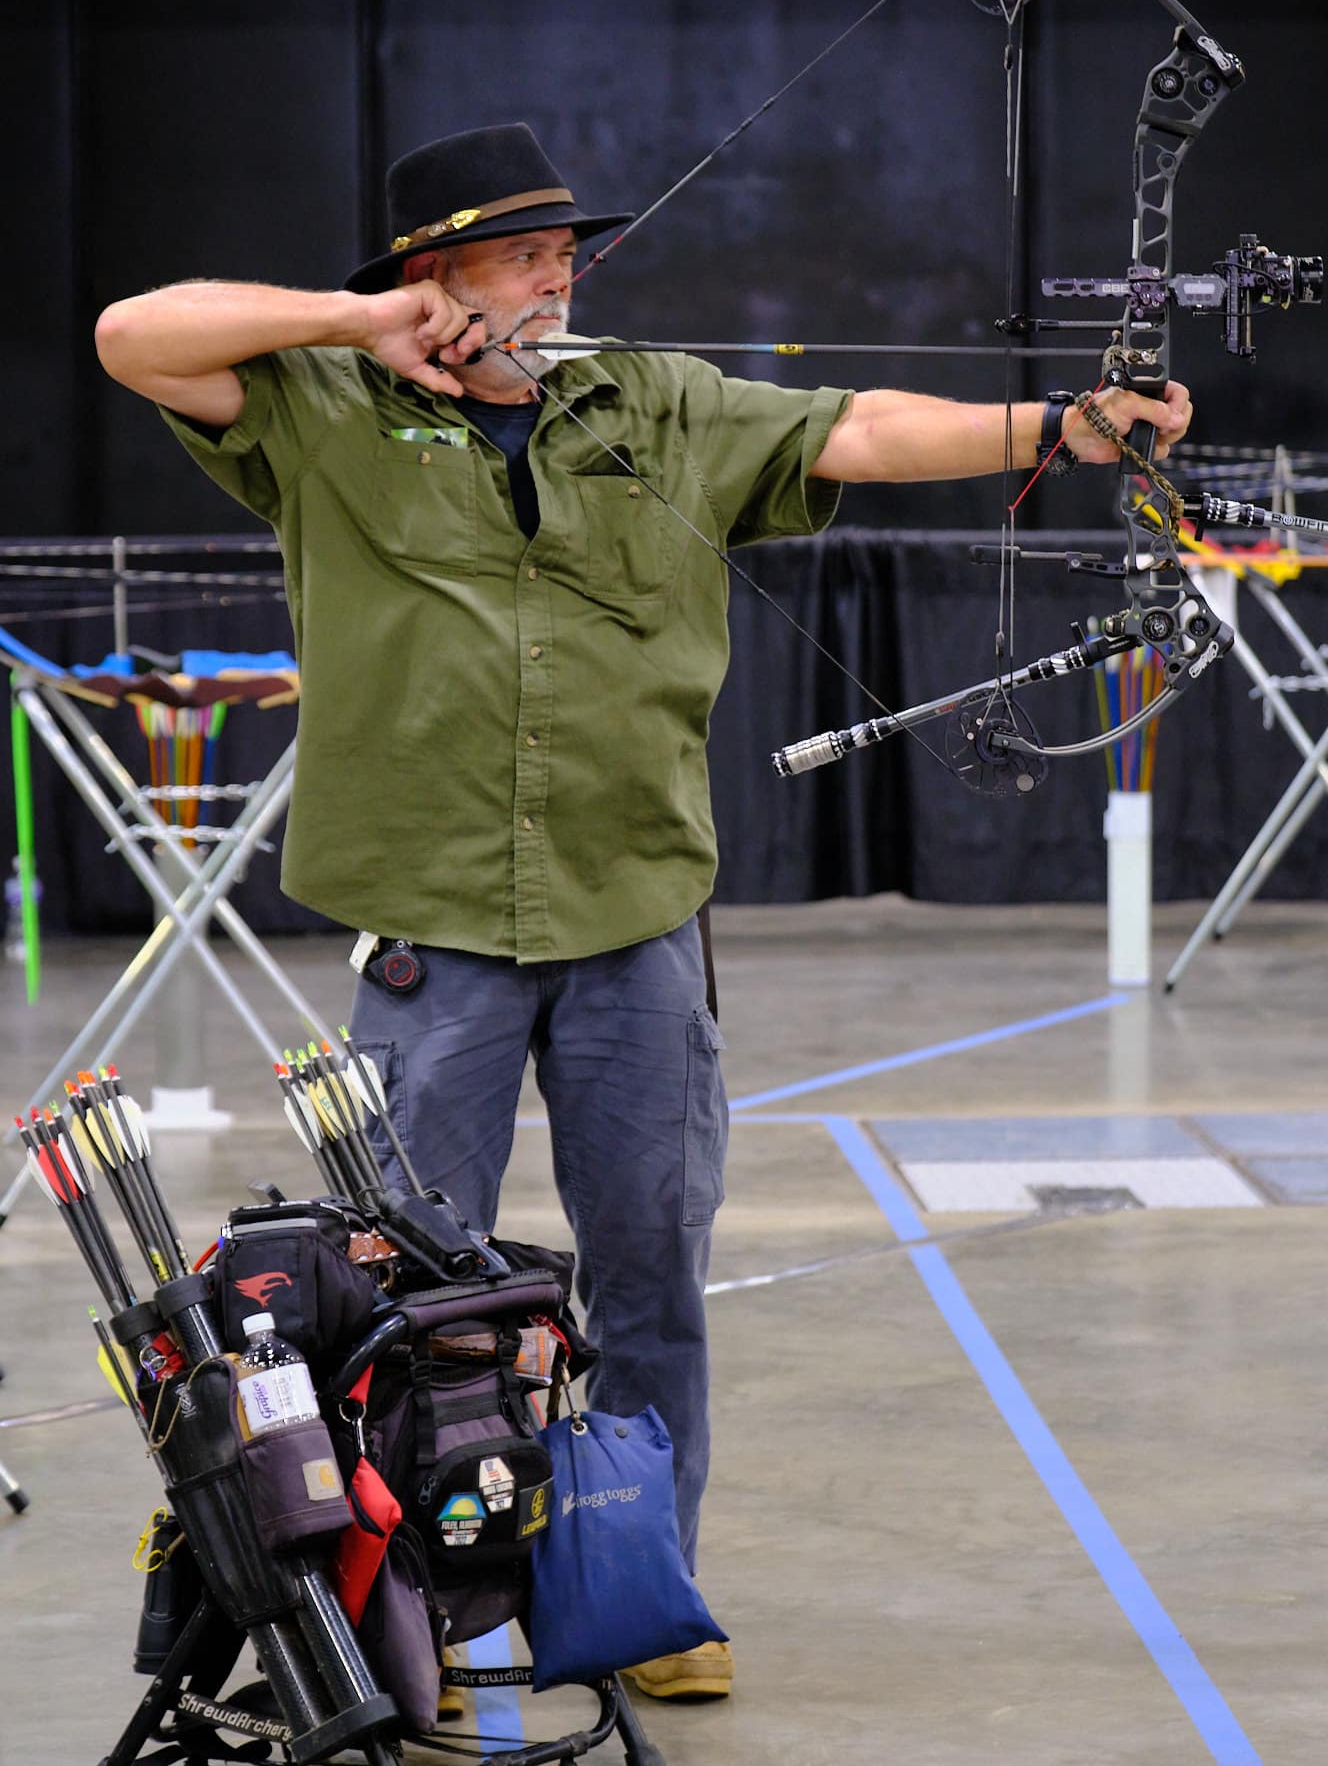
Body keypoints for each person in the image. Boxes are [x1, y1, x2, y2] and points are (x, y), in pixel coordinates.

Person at [96, 122, 1192, 1701]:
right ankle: (412, 1619)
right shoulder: (315, 403)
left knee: (652, 1277)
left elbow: (860, 428)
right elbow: (132, 335)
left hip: (634, 922)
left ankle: (641, 1590)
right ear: (432, 273)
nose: (559, 277)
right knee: (403, 1297)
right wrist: (356, 324)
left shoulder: (657, 402)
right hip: (431, 933)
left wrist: (1062, 425)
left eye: (564, 253)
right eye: (521, 255)